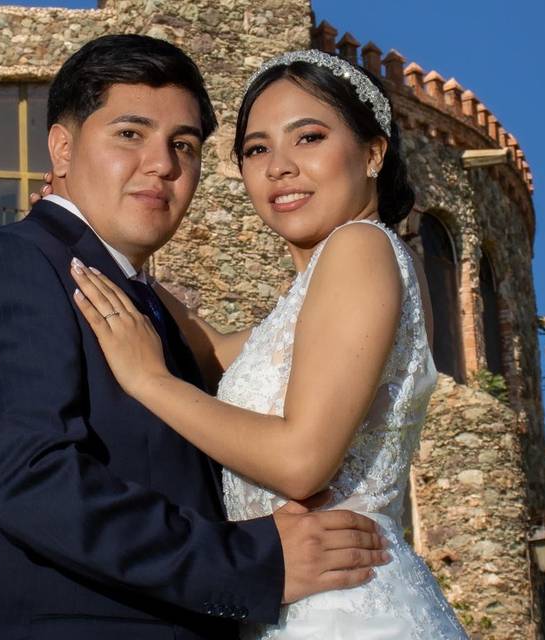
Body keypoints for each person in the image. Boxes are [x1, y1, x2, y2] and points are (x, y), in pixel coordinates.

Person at [0, 36, 389, 640]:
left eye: (184, 145)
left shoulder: (137, 307)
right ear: (62, 148)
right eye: (129, 134)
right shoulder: (8, 267)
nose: (162, 164)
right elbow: (34, 480)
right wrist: (254, 563)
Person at [67, 50, 469, 638]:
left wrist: (148, 380)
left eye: (308, 137)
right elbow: (209, 354)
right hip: (294, 599)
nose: (280, 167)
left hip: (341, 609)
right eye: (257, 149)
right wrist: (104, 244)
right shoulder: (328, 283)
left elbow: (301, 461)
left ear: (374, 152)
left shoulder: (360, 248)